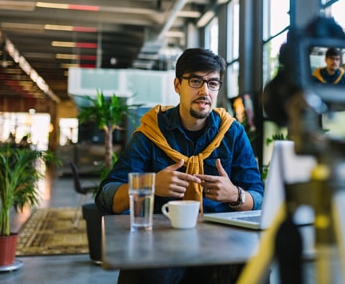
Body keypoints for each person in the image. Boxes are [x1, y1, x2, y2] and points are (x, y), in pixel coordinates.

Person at [95, 47, 264, 284]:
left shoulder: (233, 133)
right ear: (177, 85)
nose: (205, 91)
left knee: (256, 271)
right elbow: (106, 196)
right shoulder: (151, 132)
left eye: (213, 83)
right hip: (162, 241)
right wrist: (150, 184)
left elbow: (259, 197)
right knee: (147, 274)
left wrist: (235, 195)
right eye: (196, 81)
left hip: (221, 241)